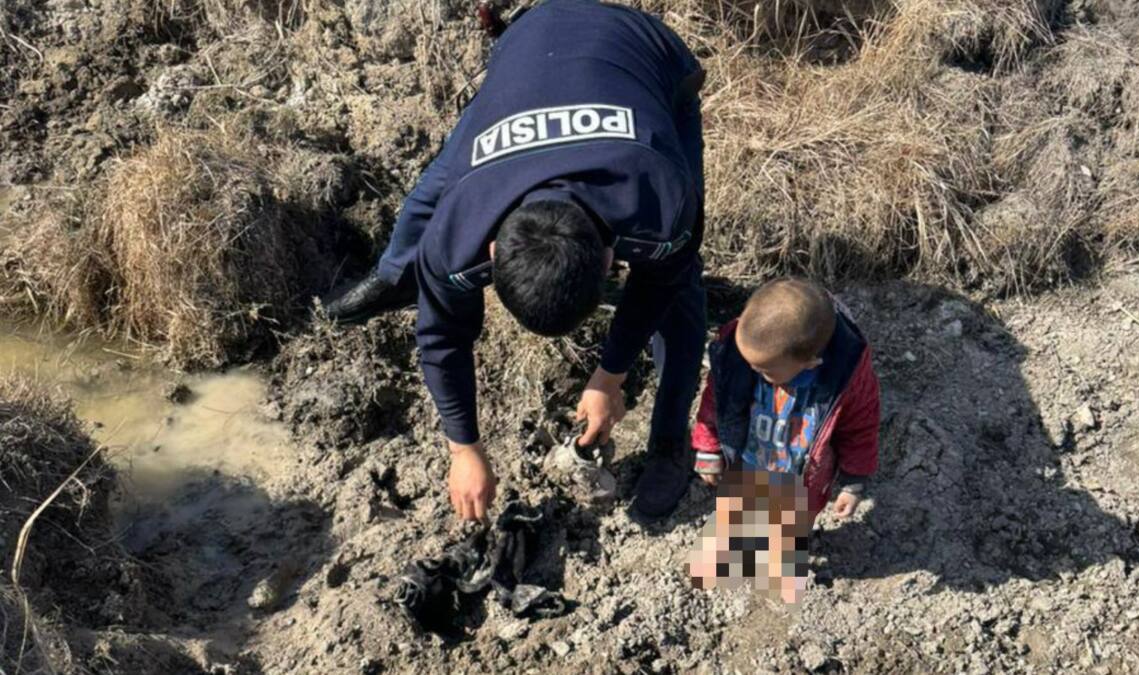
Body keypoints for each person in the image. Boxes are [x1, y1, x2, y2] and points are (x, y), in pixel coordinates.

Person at [323, 0, 708, 522]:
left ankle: (669, 443)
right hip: (532, 45)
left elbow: (661, 281)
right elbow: (441, 339)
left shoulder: (660, 195)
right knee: (434, 189)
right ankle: (397, 276)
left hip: (642, 51)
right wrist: (464, 448)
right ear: (493, 249)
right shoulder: (458, 230)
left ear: (611, 257)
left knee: (683, 293)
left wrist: (610, 376)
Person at [687, 278, 880, 600]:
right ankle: (736, 553)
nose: (754, 371)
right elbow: (717, 397)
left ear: (810, 363)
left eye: (765, 372)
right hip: (751, 456)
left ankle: (780, 560)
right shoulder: (741, 347)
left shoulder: (845, 375)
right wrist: (708, 446)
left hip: (803, 474)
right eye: (749, 364)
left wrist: (854, 480)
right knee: (741, 509)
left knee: (793, 522)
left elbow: (860, 427)